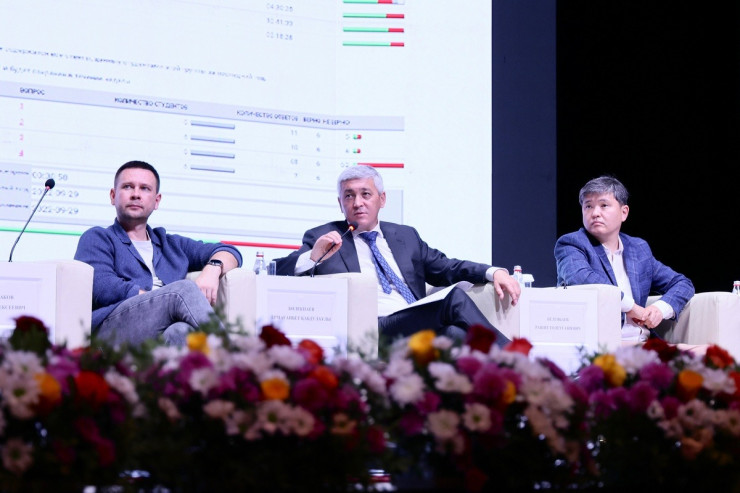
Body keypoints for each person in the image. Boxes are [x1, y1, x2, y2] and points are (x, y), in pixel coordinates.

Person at [275, 165, 520, 346]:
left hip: (414, 322)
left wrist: (493, 272)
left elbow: (446, 267)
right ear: (341, 204)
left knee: (455, 334)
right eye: (349, 196)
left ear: (382, 199)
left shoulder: (405, 236)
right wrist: (313, 256)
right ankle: (515, 361)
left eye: (365, 194)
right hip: (371, 327)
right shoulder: (323, 236)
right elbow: (277, 271)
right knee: (454, 298)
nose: (357, 203)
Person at [74, 160, 242, 346]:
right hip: (111, 330)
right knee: (182, 290)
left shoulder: (170, 244)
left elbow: (229, 251)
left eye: (144, 188)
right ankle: (235, 358)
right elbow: (102, 286)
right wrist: (162, 300)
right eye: (128, 187)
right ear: (113, 196)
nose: (136, 194)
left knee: (181, 331)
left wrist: (213, 269)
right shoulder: (98, 237)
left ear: (156, 201)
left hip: (158, 330)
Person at [554, 175, 694, 343]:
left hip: (643, 342)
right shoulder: (572, 244)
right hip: (600, 345)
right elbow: (583, 279)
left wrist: (659, 309)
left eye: (604, 205)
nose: (595, 213)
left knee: (706, 354)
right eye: (588, 206)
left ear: (624, 212)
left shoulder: (638, 249)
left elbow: (682, 283)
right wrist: (631, 307)